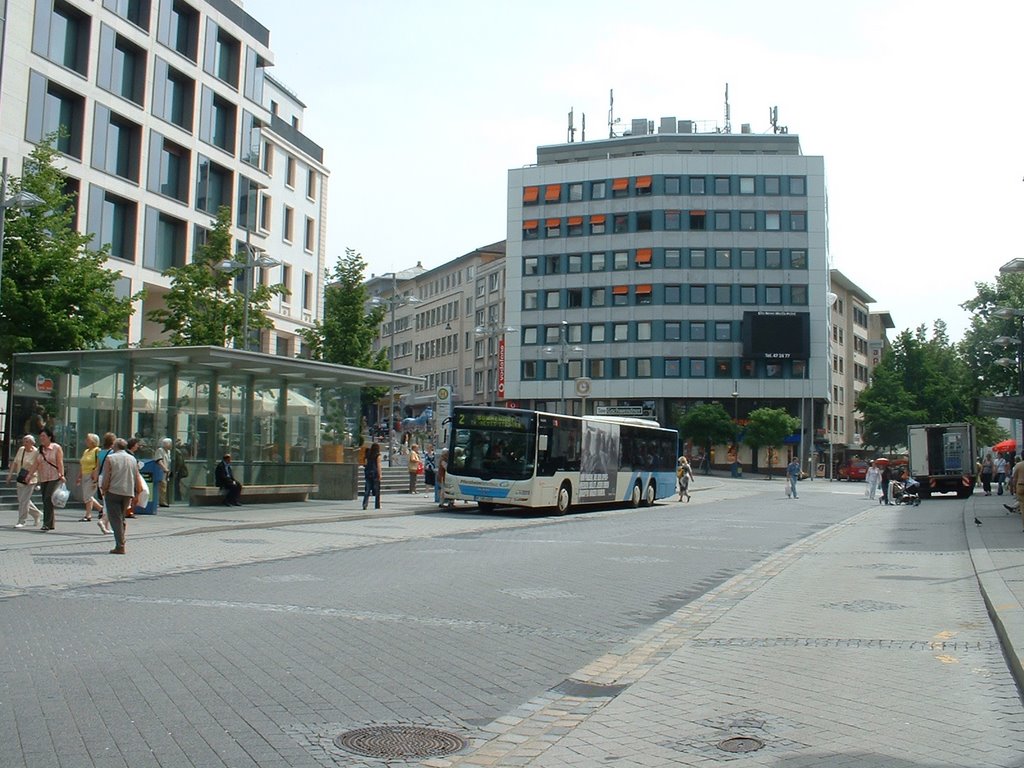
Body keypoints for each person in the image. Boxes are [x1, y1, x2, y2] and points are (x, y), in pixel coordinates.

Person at [100, 438, 144, 555]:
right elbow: (136, 476)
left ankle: (120, 545)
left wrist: (104, 489)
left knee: (115, 519)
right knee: (121, 517)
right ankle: (121, 541)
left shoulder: (110, 458)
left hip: (113, 491)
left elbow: (106, 477)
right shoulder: (132, 459)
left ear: (115, 446)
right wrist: (137, 493)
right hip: (127, 492)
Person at [7, 434, 41, 528]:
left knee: (24, 500)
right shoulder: (21, 449)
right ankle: (36, 513)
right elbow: (15, 462)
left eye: (27, 441)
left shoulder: (36, 452)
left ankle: (22, 520)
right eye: (24, 441)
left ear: (32, 443)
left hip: (31, 478)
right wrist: (10, 475)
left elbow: (38, 465)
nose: (24, 443)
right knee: (22, 500)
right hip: (20, 477)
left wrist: (38, 479)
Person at [36, 427, 65, 532]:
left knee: (48, 498)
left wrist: (61, 474)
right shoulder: (40, 449)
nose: (41, 438)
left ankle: (46, 523)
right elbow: (36, 463)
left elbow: (60, 462)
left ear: (49, 437)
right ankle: (51, 523)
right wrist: (30, 474)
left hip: (54, 476)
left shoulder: (56, 448)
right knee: (45, 500)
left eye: (43, 436)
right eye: (40, 436)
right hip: (43, 477)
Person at [76, 433, 102, 522]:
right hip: (84, 474)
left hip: (92, 475)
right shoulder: (86, 451)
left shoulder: (97, 450)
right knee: (87, 495)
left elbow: (99, 464)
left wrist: (95, 474)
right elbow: (82, 464)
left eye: (88, 439)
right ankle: (100, 509)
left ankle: (88, 515)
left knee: (87, 496)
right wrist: (79, 476)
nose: (86, 441)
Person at [94, 432, 116, 534]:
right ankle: (103, 521)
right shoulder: (112, 453)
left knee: (105, 502)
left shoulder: (100, 452)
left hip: (100, 478)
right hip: (108, 478)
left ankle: (107, 527)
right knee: (110, 503)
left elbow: (97, 467)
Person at [362, 442, 382, 510]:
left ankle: (365, 504)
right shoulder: (378, 455)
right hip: (375, 473)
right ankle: (377, 505)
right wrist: (380, 474)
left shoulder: (368, 454)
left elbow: (365, 463)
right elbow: (378, 465)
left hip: (368, 473)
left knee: (367, 490)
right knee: (377, 490)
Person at [154, 437, 172, 507]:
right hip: (161, 471)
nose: (171, 445)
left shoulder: (168, 451)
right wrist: (164, 468)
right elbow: (159, 460)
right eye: (170, 444)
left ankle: (163, 500)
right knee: (162, 486)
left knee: (164, 486)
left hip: (166, 471)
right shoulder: (160, 450)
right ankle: (161, 501)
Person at [1012, 457, 1024, 532]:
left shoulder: (1018, 465)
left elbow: (1014, 478)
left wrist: (1014, 489)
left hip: (1021, 486)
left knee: (1022, 507)